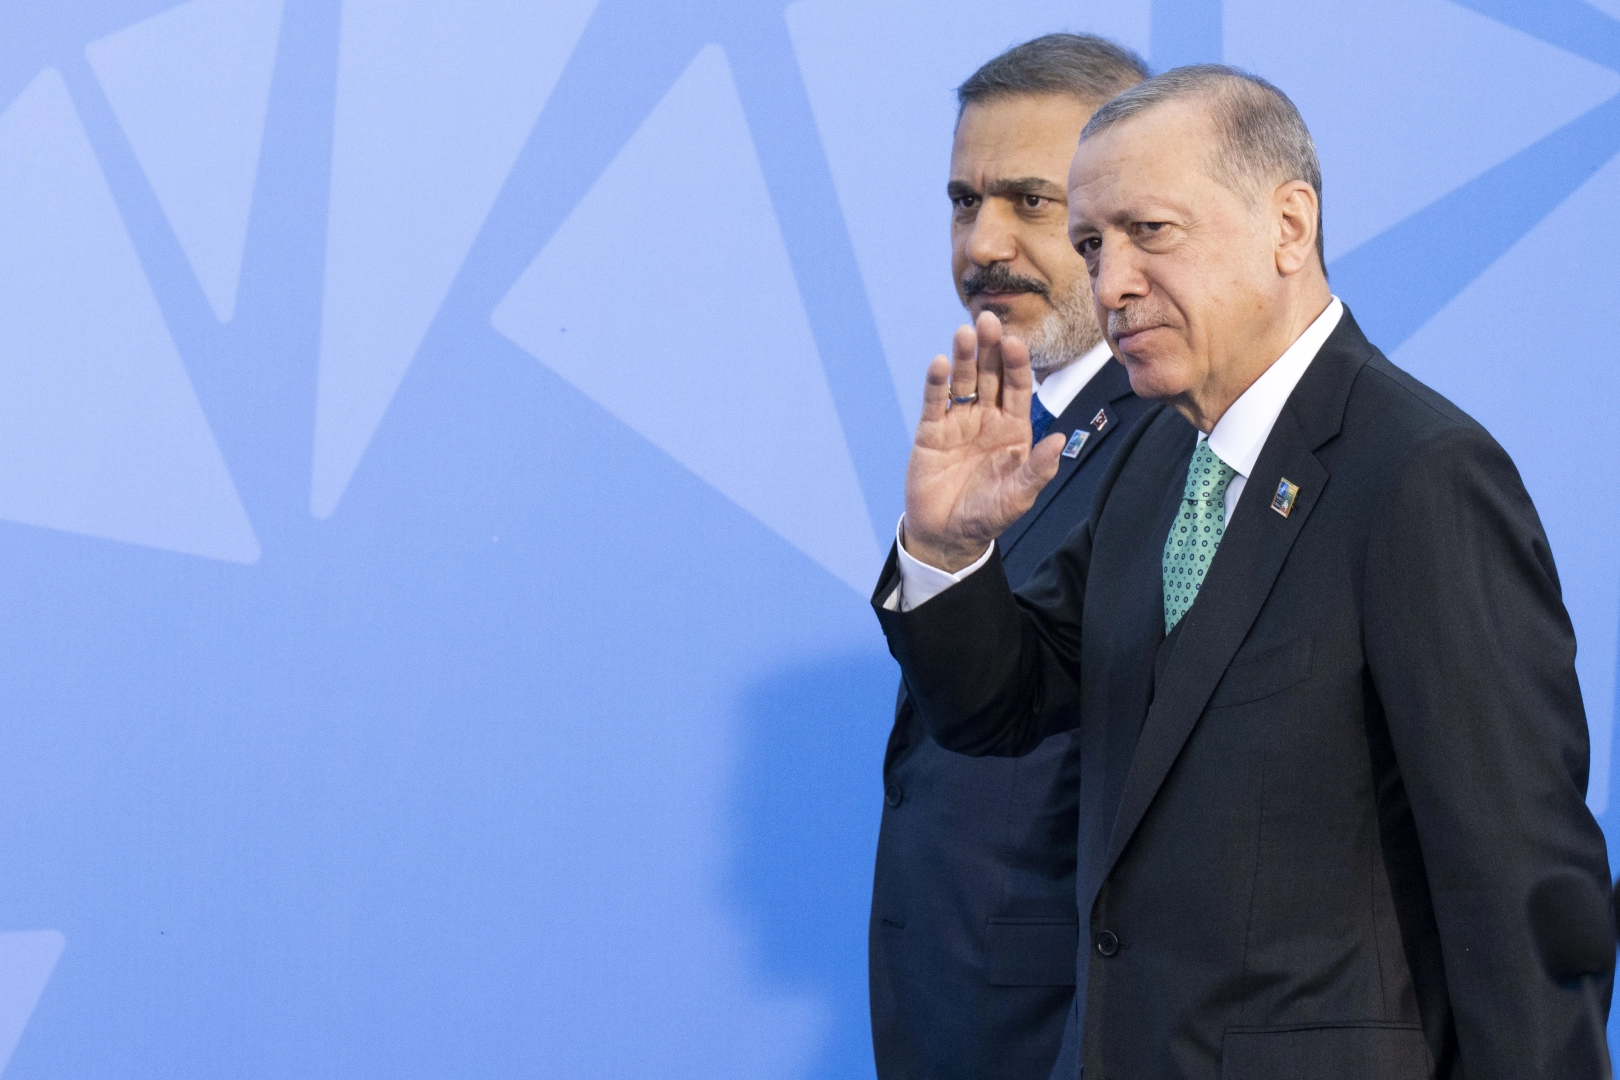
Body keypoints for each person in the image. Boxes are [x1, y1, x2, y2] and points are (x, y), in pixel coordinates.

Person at [874, 65, 1612, 1079]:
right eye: (1092, 246)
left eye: (1150, 232)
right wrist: (950, 553)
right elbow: (1005, 707)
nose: (1112, 283)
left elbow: (1520, 892)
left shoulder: (1419, 474)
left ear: (1289, 227)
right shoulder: (1148, 466)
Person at [867, 35, 1151, 1080]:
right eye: (963, 201)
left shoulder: (1181, 442)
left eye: (1031, 202)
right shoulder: (998, 436)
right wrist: (943, 549)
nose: (983, 244)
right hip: (949, 1021)